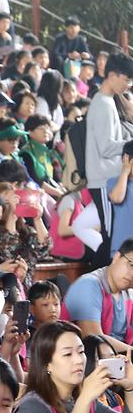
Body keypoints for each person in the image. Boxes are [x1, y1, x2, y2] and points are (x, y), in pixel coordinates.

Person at [86, 54, 133, 266]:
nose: (128, 85)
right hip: (103, 179)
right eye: (127, 80)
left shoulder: (107, 100)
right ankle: (95, 280)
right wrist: (129, 145)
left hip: (107, 177)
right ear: (112, 75)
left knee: (110, 234)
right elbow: (106, 147)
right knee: (110, 235)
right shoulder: (103, 104)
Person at [64, 237, 133, 353]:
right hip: (87, 362)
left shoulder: (129, 293)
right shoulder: (88, 285)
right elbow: (94, 339)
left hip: (119, 361)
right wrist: (131, 351)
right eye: (131, 265)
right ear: (116, 257)